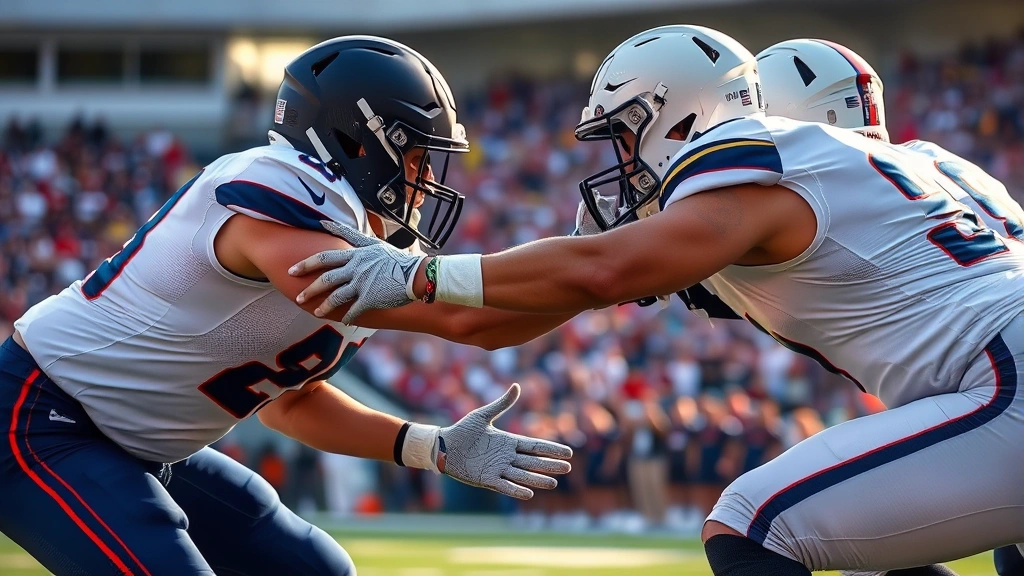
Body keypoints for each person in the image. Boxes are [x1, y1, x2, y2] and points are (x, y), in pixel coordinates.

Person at [290, 25, 1024, 575]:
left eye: (624, 134)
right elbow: (531, 310)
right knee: (896, 545)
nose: (622, 161)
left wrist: (422, 276)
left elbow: (601, 272)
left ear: (675, 117)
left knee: (750, 525)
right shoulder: (925, 168)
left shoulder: (749, 152)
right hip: (994, 367)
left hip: (1004, 376)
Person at [0, 35, 572, 576]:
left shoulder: (361, 244)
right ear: (357, 140)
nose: (425, 181)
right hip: (43, 417)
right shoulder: (282, 186)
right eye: (417, 156)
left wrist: (430, 447)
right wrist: (600, 271)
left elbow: (291, 403)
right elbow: (469, 318)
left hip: (140, 442)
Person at [758, 38, 1024, 576]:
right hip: (995, 352)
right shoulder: (942, 164)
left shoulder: (820, 181)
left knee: (753, 524)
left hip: (1005, 369)